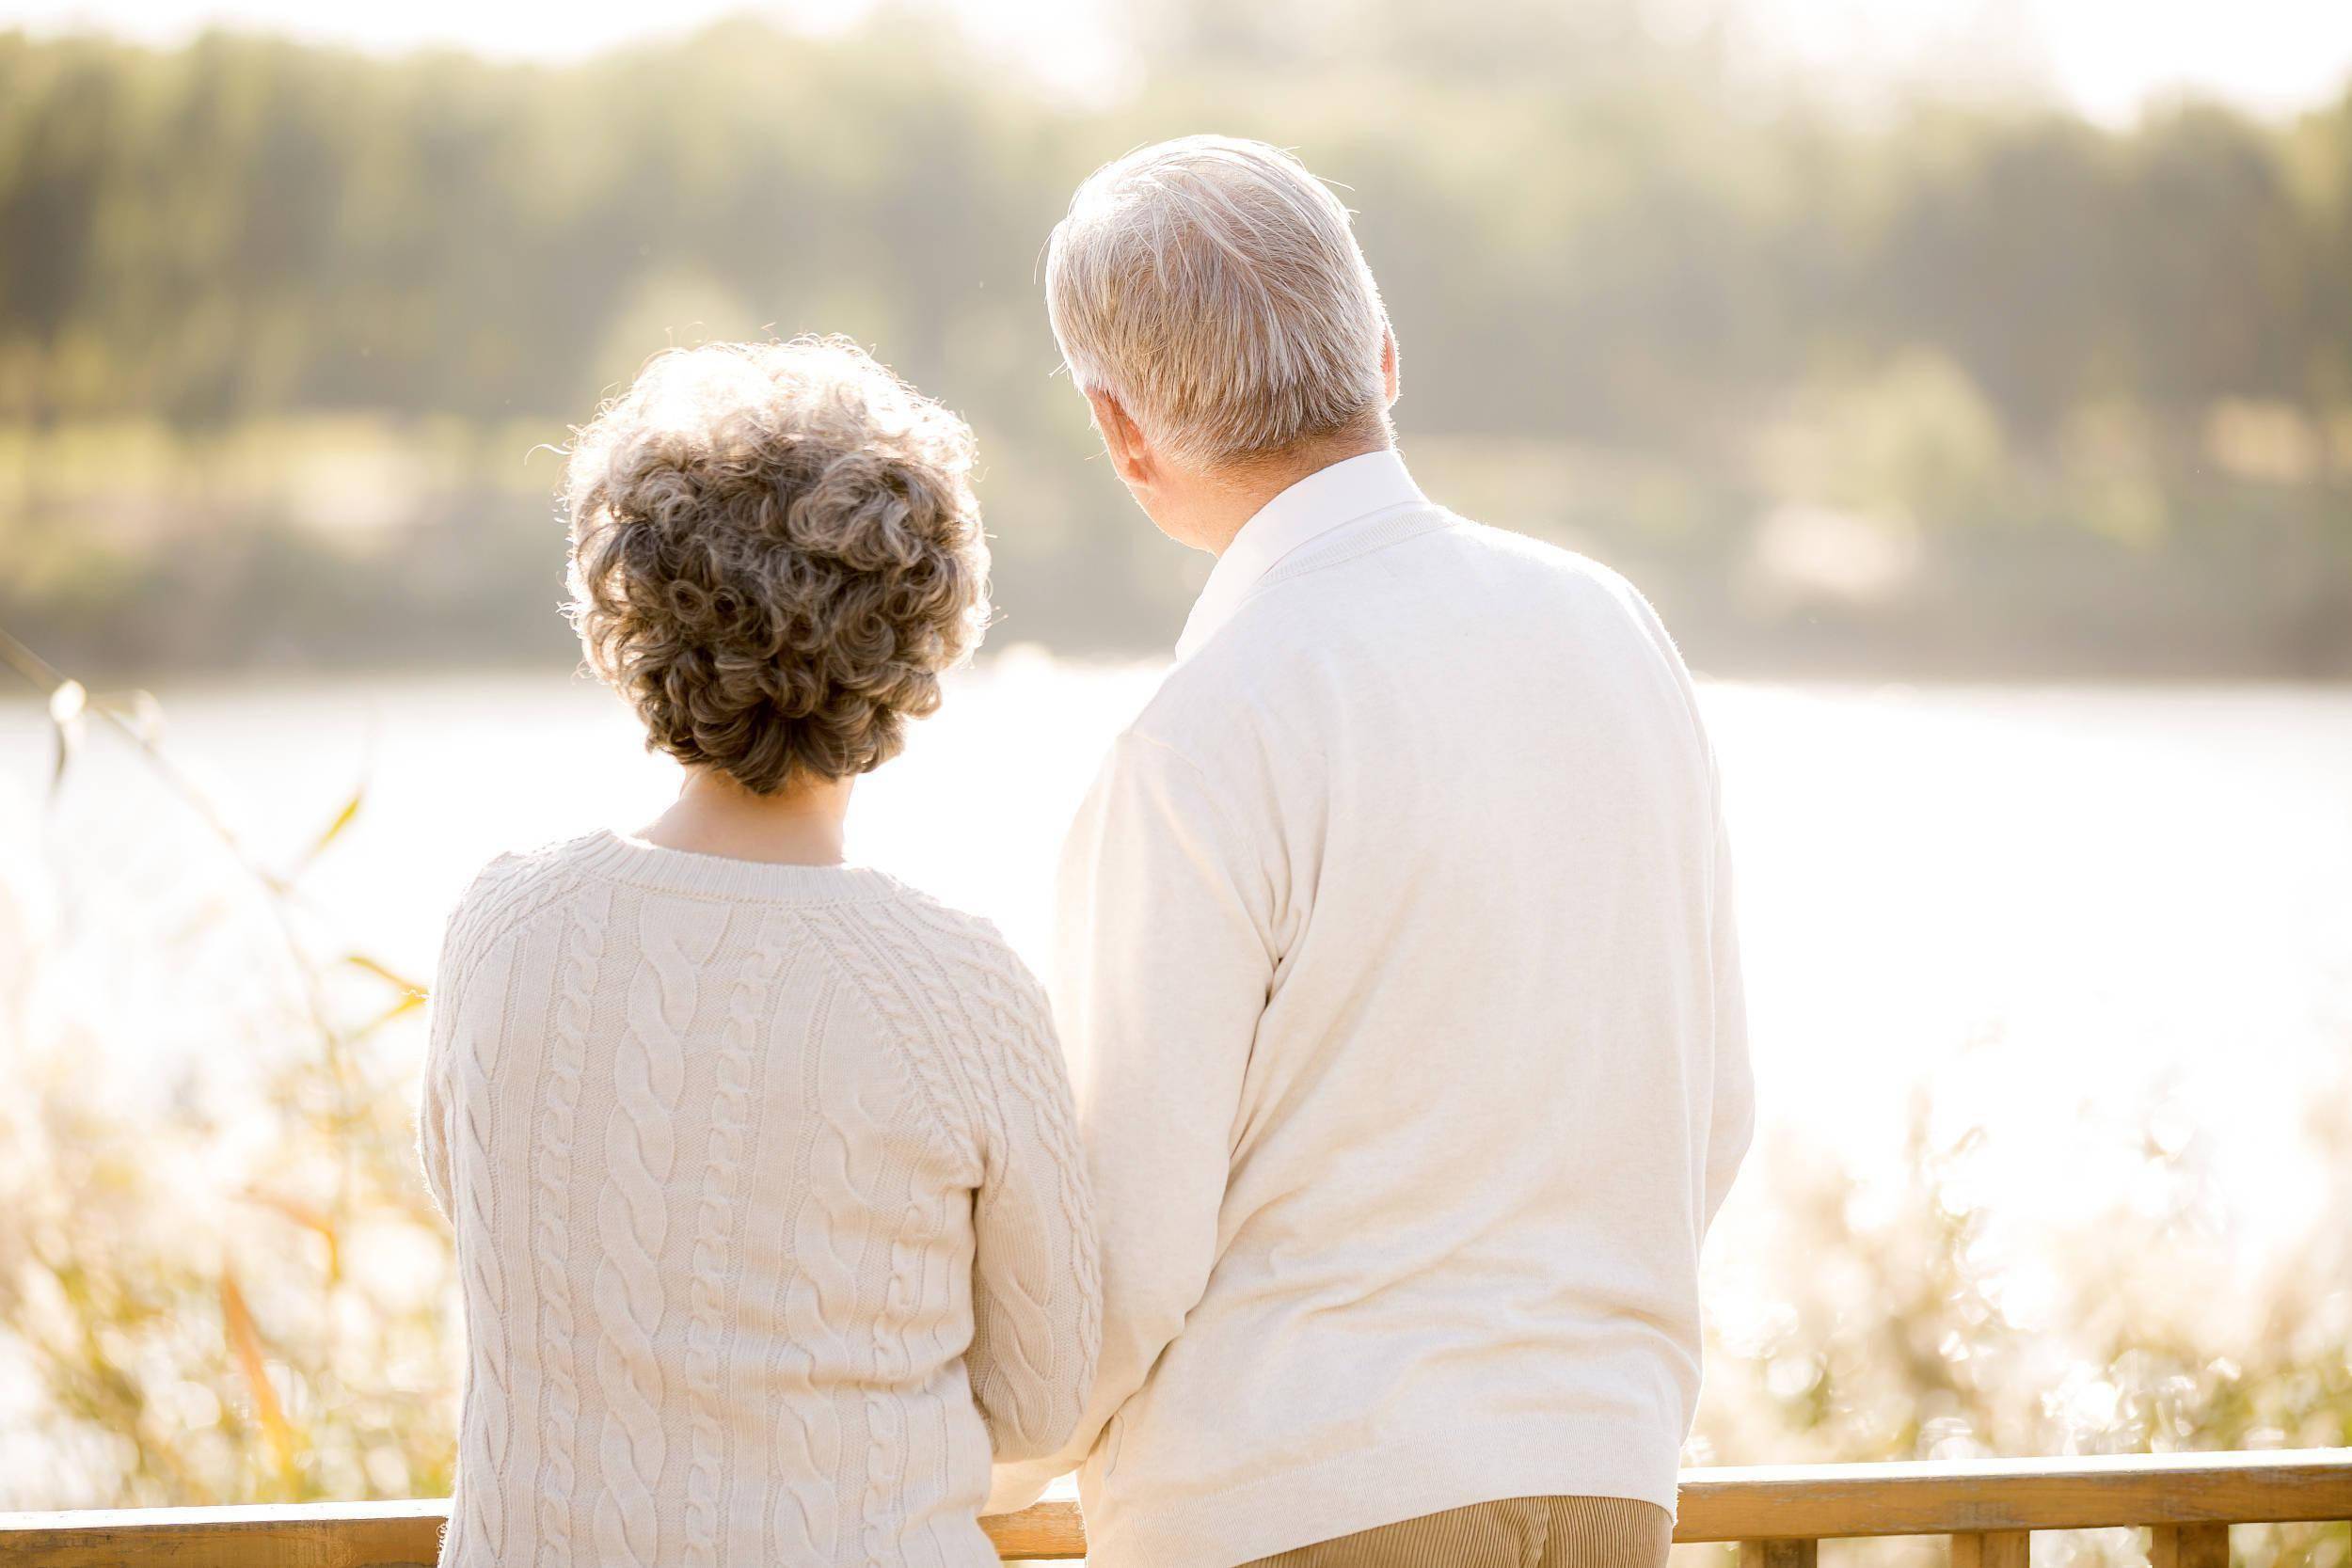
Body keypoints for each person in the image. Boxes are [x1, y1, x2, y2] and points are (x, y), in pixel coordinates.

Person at [985, 136, 1755, 1568]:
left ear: (1121, 431)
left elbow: (1127, 1261)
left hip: (1298, 1500)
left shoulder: (1201, 738)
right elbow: (1715, 1107)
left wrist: (962, 1460)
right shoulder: (1615, 632)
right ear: (1383, 356)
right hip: (1609, 1473)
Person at [418, 337, 1100, 1568]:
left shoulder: (499, 932)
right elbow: (1046, 1399)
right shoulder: (955, 988)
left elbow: (485, 1224)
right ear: (923, 630)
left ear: (623, 608)